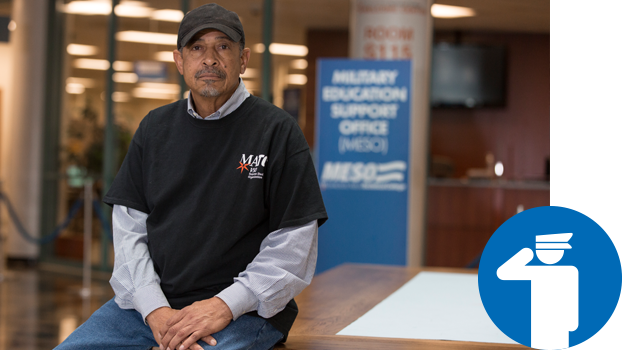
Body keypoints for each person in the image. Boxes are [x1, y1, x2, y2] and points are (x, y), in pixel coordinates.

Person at [55, 3, 328, 350]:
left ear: (243, 59)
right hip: (150, 308)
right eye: (197, 47)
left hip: (243, 311)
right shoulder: (155, 128)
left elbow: (294, 243)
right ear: (179, 60)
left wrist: (223, 306)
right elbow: (129, 229)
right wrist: (155, 309)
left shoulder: (277, 131)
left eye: (223, 46)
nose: (210, 59)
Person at [497, 233, 578, 349]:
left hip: (560, 326)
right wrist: (526, 252)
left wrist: (572, 323)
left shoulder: (569, 271)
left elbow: (572, 299)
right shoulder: (536, 271)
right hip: (539, 324)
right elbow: (503, 273)